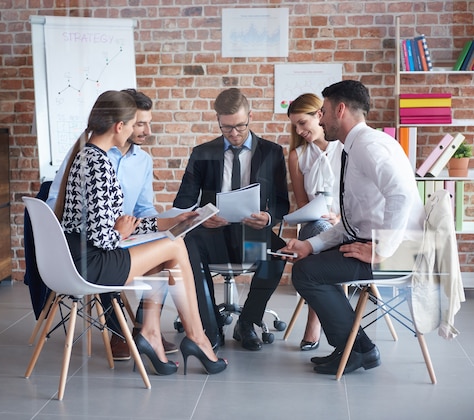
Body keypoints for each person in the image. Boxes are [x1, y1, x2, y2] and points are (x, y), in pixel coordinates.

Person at [55, 90, 227, 375]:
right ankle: (196, 337)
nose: (139, 130)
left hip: (84, 256)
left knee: (169, 244)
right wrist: (121, 232)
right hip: (93, 263)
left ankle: (151, 334)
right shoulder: (98, 164)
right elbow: (105, 239)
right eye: (135, 123)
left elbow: (117, 224)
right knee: (175, 247)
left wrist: (168, 223)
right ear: (119, 126)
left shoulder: (88, 156)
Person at [279, 80, 425, 375]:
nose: (320, 119)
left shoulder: (368, 146)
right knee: (310, 263)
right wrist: (310, 245)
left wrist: (384, 250)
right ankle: (355, 350)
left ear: (340, 110)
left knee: (308, 274)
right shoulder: (355, 146)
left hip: (400, 253)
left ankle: (358, 350)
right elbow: (351, 223)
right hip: (380, 244)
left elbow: (402, 194)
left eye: (323, 112)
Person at [173, 88, 290, 351]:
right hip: (212, 234)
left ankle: (247, 323)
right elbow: (183, 202)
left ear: (250, 116)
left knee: (277, 253)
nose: (234, 134)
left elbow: (282, 202)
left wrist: (269, 217)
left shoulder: (271, 152)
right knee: (189, 248)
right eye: (226, 128)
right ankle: (210, 326)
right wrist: (203, 217)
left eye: (240, 126)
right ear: (218, 120)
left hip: (250, 236)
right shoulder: (202, 153)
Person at [286, 93, 343, 351]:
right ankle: (339, 329)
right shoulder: (298, 156)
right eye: (295, 126)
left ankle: (316, 319)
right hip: (314, 227)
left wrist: (340, 219)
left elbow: (363, 199)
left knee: (329, 232)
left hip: (348, 225)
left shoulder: (347, 148)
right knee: (321, 229)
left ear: (319, 115)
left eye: (302, 123)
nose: (299, 130)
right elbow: (302, 205)